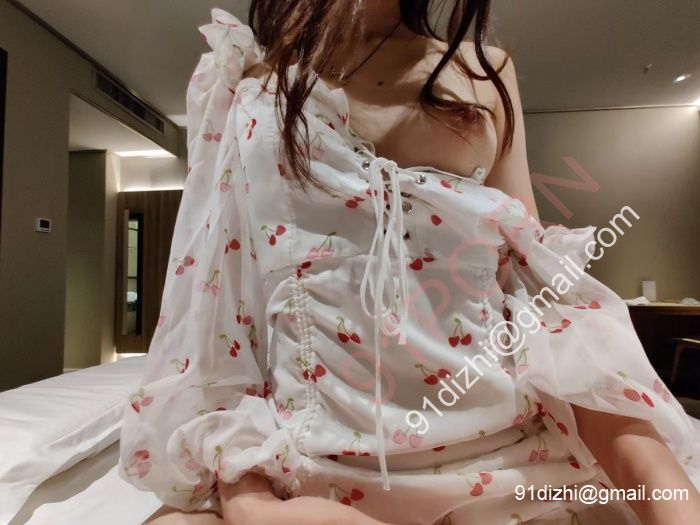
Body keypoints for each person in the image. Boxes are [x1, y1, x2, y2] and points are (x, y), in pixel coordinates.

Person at [119, 2, 700, 524]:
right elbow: (220, 318)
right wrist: (249, 499)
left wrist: (657, 480)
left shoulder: (484, 72)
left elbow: (540, 291)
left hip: (514, 465)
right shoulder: (252, 85)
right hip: (314, 477)